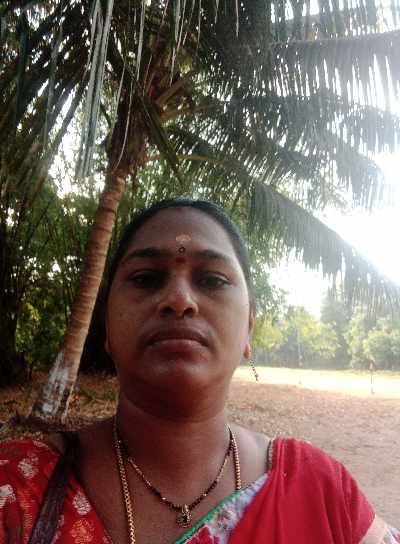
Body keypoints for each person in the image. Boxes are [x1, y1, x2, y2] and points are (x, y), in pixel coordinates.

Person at [0, 198, 399, 544]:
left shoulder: (321, 491)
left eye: (212, 279)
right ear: (106, 325)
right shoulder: (17, 488)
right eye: (146, 278)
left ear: (248, 326)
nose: (179, 300)